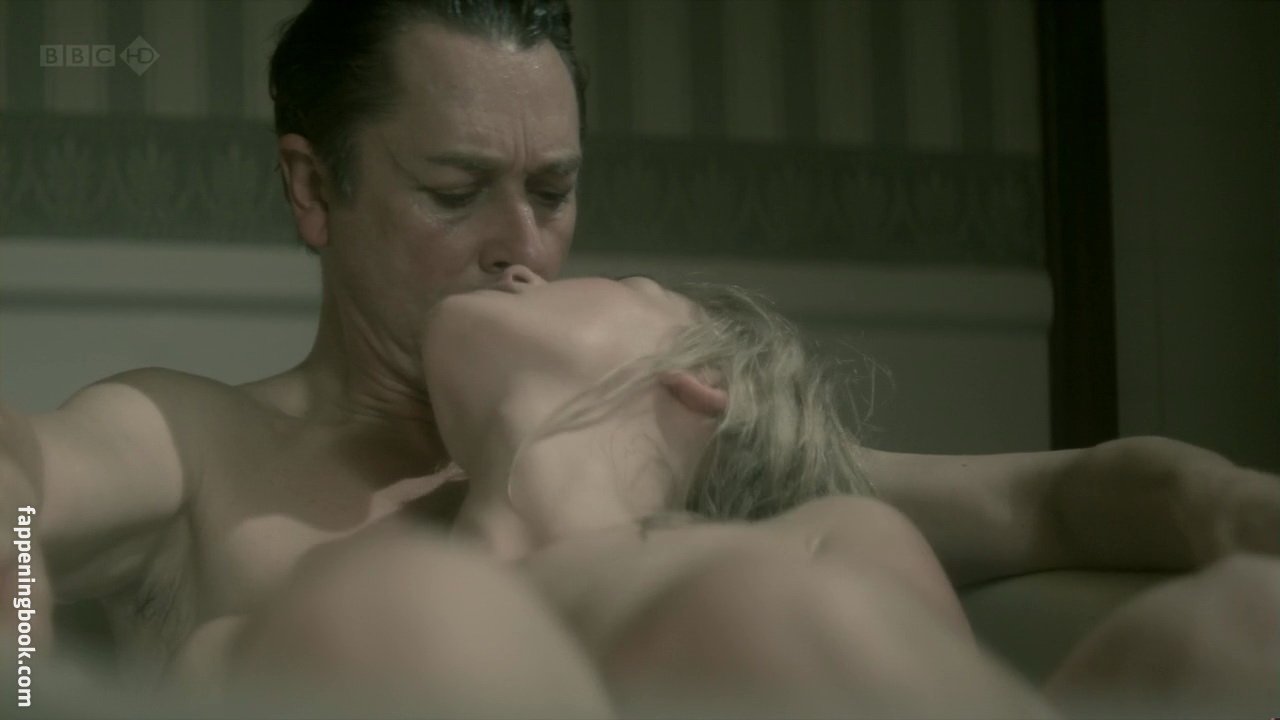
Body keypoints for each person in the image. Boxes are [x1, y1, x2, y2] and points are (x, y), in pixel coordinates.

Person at [1, 0, 1277, 708]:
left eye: (553, 192)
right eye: (455, 191)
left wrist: (1230, 506)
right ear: (311, 188)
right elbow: (16, 487)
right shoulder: (200, 443)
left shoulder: (659, 447)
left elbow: (1054, 498)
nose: (521, 245)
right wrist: (20, 650)